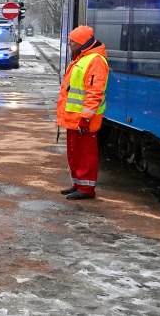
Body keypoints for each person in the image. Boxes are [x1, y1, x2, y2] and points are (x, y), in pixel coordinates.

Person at [56, 25, 109, 200]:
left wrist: (86, 118)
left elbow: (95, 92)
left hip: (84, 120)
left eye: (73, 41)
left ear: (82, 43)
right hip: (74, 118)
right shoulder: (81, 58)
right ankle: (78, 184)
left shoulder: (95, 61)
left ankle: (86, 189)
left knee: (85, 155)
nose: (69, 43)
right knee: (75, 153)